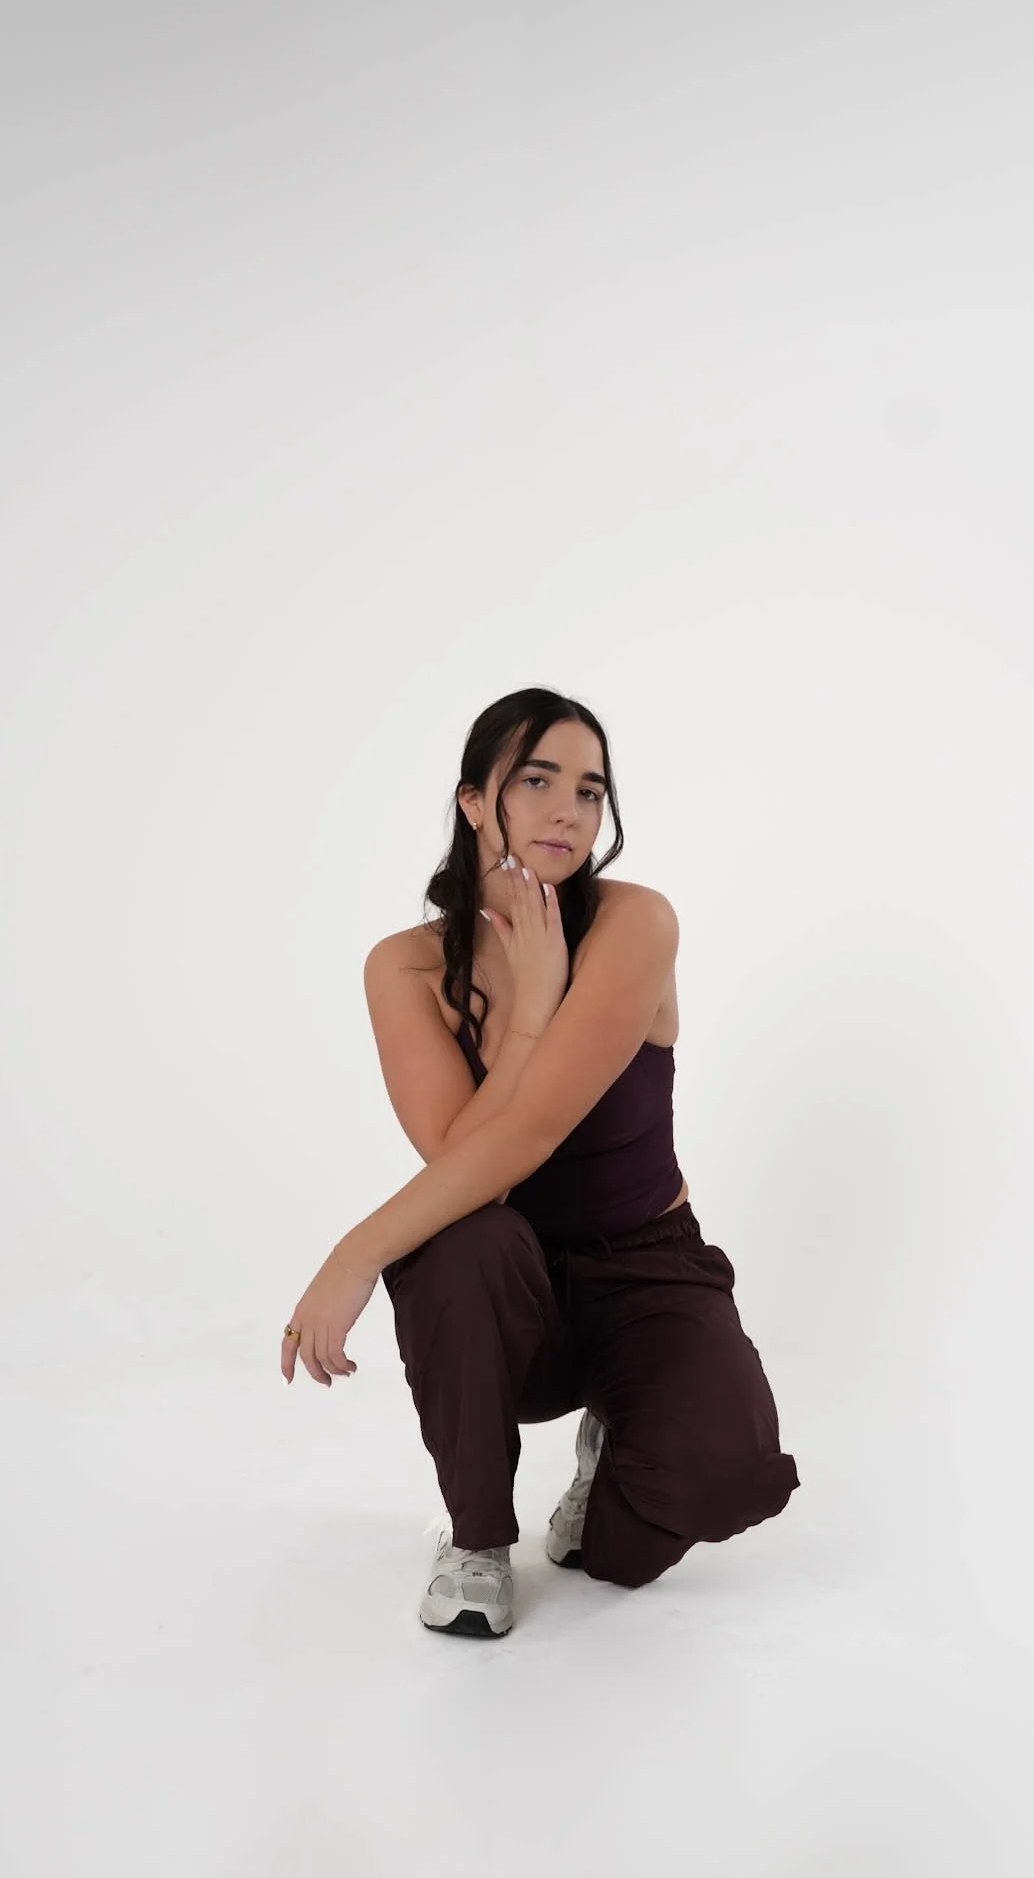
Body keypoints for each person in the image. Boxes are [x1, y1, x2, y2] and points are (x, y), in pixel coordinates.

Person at [287, 686, 800, 1637]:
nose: (569, 810)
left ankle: (610, 1458)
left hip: (645, 1267)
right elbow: (465, 1161)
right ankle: (477, 1542)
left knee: (704, 1493)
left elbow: (528, 1134)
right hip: (503, 1290)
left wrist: (352, 1255)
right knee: (460, 1238)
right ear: (473, 801)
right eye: (536, 781)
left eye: (590, 790)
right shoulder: (404, 966)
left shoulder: (633, 923)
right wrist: (531, 1004)